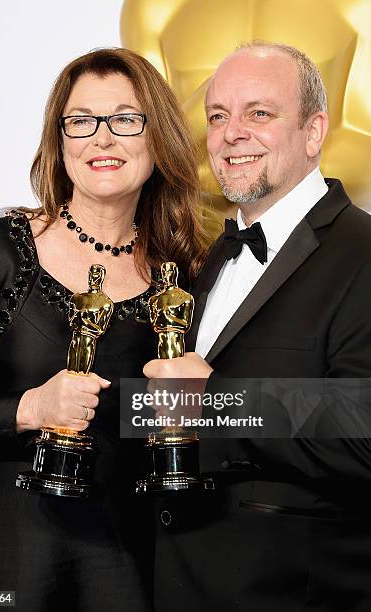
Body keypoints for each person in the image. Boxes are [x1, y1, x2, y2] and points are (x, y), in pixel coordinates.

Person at [0, 48, 207, 612]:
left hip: (133, 567)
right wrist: (32, 409)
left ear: (156, 138)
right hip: (2, 570)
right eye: (82, 121)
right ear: (59, 140)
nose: (102, 139)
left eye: (125, 120)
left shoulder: (187, 275)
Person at [144, 42, 371, 611]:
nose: (231, 133)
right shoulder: (207, 259)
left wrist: (216, 400)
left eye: (259, 113)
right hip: (172, 584)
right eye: (218, 116)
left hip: (297, 594)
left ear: (314, 131)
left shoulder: (364, 252)